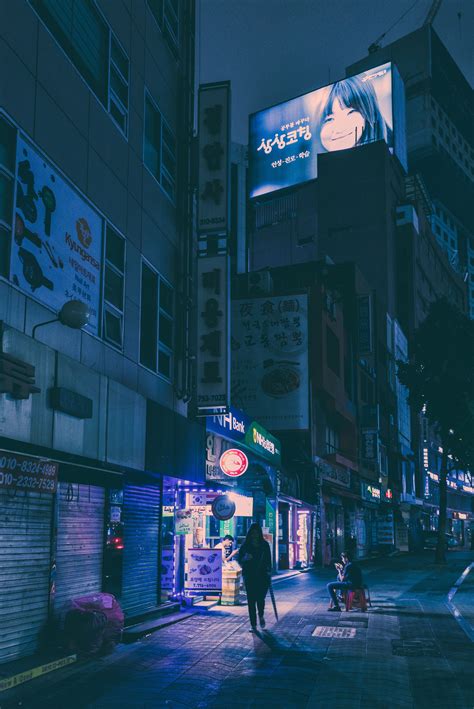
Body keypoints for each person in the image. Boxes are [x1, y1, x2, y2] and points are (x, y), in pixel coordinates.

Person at [317, 75, 388, 153]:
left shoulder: (390, 159)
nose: (339, 129)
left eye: (350, 113)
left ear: (370, 113)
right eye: (329, 119)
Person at [238, 523, 272, 631]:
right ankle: (253, 624)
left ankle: (261, 615)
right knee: (251, 601)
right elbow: (239, 560)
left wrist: (269, 572)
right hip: (249, 576)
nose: (254, 535)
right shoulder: (245, 546)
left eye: (256, 533)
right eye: (253, 533)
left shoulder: (264, 545)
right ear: (250, 534)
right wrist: (245, 558)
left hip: (262, 576)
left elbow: (268, 560)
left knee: (260, 599)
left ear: (259, 533)